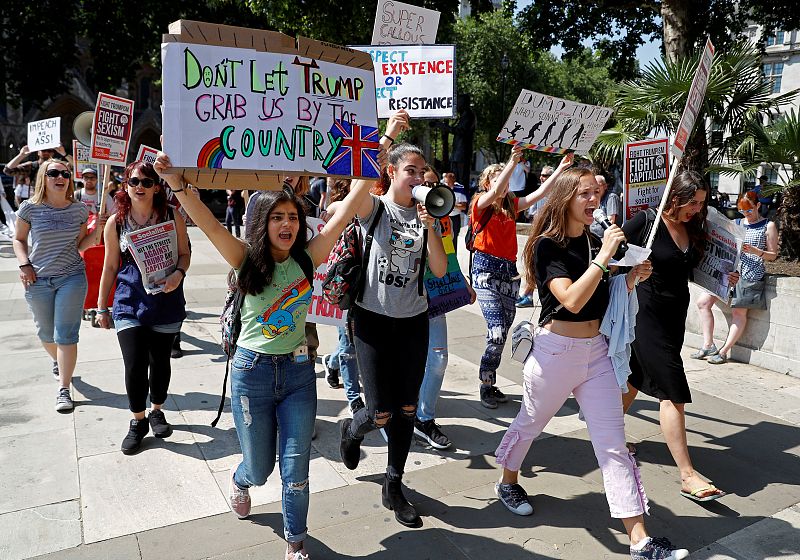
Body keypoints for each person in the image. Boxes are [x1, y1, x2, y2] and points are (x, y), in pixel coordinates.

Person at [155, 135, 386, 560]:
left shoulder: (308, 258)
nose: (287, 224)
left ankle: (295, 543)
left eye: (293, 217)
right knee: (260, 469)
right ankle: (241, 479)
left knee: (296, 472)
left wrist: (379, 149)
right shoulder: (243, 258)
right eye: (278, 217)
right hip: (252, 374)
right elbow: (207, 223)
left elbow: (351, 205)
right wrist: (175, 181)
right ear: (263, 222)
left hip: (299, 376)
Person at [492, 167, 688, 560]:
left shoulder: (597, 241)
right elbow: (572, 300)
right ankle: (508, 480)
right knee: (530, 424)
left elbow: (603, 294)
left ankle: (640, 541)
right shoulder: (549, 246)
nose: (594, 200)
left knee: (613, 446)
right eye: (585, 193)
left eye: (596, 193)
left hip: (596, 353)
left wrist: (630, 277)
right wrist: (603, 258)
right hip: (554, 353)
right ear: (566, 197)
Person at [339, 114, 448, 529]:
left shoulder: (429, 217)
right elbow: (357, 185)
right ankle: (353, 428)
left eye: (422, 171)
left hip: (413, 322)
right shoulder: (375, 209)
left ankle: (394, 483)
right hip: (371, 321)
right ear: (391, 172)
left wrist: (432, 227)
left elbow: (438, 270)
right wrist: (387, 135)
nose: (419, 177)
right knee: (380, 411)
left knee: (406, 408)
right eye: (410, 170)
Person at [622, 170, 738, 503]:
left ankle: (607, 436)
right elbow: (609, 261)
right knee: (673, 390)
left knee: (635, 377)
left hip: (674, 317)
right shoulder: (645, 222)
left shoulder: (692, 229)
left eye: (702, 203)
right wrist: (630, 270)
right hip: (645, 315)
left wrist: (724, 275)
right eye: (694, 202)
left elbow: (696, 268)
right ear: (676, 197)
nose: (698, 209)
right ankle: (688, 475)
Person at [95, 162, 191, 454]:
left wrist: (178, 274)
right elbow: (110, 265)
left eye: (148, 182)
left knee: (160, 361)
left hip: (166, 299)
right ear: (125, 185)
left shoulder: (173, 216)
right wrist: (101, 307)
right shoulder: (116, 223)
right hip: (128, 301)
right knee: (135, 363)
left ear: (157, 187)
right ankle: (138, 420)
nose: (140, 186)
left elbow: (185, 254)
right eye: (134, 181)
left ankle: (157, 410)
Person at [470, 149, 573, 408]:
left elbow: (540, 194)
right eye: (497, 180)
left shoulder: (510, 207)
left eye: (505, 180)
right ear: (487, 184)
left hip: (508, 273)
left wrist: (561, 167)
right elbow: (494, 194)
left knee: (502, 333)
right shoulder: (480, 203)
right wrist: (512, 162)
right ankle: (485, 382)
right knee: (495, 333)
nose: (503, 184)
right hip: (485, 271)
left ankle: (490, 383)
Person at [13, 159, 104, 412]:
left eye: (65, 173)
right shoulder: (29, 209)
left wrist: (98, 233)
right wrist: (24, 265)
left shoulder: (78, 211)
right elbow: (19, 239)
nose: (60, 177)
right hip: (37, 279)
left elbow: (80, 245)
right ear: (44, 177)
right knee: (46, 333)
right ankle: (57, 360)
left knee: (65, 334)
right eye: (53, 173)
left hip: (72, 277)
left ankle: (63, 389)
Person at [411, 167, 476, 449]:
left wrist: (462, 283)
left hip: (433, 298)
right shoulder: (390, 212)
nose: (431, 189)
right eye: (424, 185)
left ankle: (423, 418)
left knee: (437, 359)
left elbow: (448, 254)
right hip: (403, 303)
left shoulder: (439, 219)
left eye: (433, 184)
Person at [693, 190, 778, 364]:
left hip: (751, 273)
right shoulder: (736, 223)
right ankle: (708, 344)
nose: (746, 214)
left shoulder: (768, 226)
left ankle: (724, 351)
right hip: (730, 272)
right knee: (703, 302)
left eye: (749, 210)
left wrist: (756, 251)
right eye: (742, 211)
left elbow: (773, 255)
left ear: (758, 205)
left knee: (739, 312)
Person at [320, 179, 364, 414]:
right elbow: (332, 212)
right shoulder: (338, 206)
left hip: (371, 284)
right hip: (347, 283)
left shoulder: (378, 202)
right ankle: (354, 397)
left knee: (357, 341)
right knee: (348, 343)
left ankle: (331, 362)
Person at [442, 172, 467, 253]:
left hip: (455, 217)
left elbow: (463, 206)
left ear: (454, 181)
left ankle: (452, 259)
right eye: (446, 182)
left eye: (449, 182)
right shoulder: (442, 189)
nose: (447, 184)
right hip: (444, 216)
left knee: (454, 238)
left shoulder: (459, 190)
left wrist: (452, 205)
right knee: (444, 238)